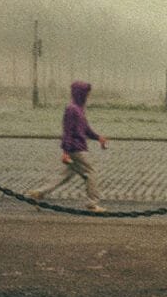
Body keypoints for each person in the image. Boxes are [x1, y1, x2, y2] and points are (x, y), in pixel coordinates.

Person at [30, 80, 108, 211]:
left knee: (65, 176)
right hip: (76, 149)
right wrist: (65, 152)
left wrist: (98, 138)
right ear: (80, 94)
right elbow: (68, 132)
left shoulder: (79, 109)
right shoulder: (72, 110)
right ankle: (92, 204)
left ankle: (39, 193)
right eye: (86, 93)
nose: (87, 96)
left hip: (76, 147)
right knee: (91, 172)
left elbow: (86, 129)